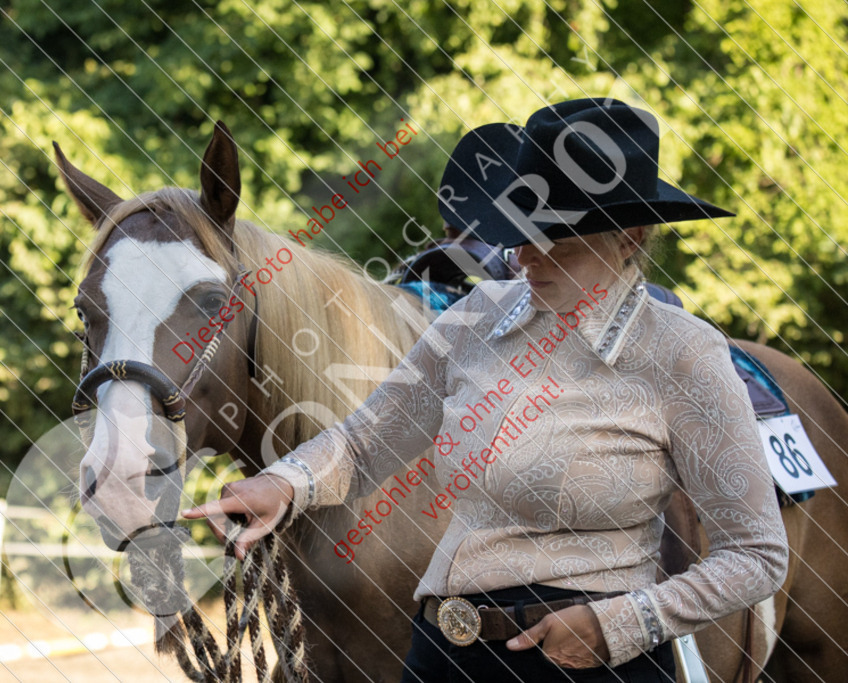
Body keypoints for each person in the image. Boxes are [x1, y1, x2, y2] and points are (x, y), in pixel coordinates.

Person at [184, 98, 788, 681]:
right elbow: (367, 444)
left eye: (555, 239)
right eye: (518, 233)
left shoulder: (683, 352)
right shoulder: (474, 317)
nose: (523, 256)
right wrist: (283, 483)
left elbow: (757, 554)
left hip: (592, 665)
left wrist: (622, 623)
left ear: (627, 235)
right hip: (440, 652)